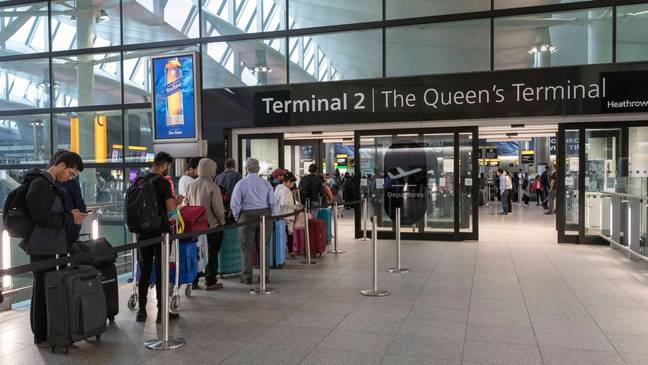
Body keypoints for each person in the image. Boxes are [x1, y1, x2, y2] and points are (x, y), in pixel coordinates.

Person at [24, 152, 87, 345]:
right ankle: (41, 334)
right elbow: (41, 217)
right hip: (42, 245)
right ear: (61, 165)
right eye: (71, 172)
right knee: (43, 289)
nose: (71, 177)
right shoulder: (41, 184)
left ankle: (48, 331)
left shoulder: (49, 184)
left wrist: (70, 214)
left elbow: (49, 214)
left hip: (49, 243)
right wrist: (70, 218)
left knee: (47, 288)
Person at [136, 151, 180, 324]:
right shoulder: (162, 182)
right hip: (160, 232)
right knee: (162, 270)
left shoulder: (139, 180)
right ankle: (162, 313)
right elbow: (170, 208)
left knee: (144, 270)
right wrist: (178, 201)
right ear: (163, 165)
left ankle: (141, 311)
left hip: (142, 232)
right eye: (167, 167)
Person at [230, 158, 276, 285]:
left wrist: (237, 217)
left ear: (246, 169)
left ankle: (247, 277)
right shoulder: (265, 183)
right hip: (265, 215)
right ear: (259, 169)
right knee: (264, 246)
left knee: (246, 248)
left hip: (246, 216)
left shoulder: (241, 184)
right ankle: (264, 276)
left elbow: (235, 204)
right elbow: (272, 202)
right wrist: (270, 213)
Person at [185, 158, 226, 290]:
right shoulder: (212, 186)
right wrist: (222, 222)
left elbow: (186, 203)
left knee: (196, 254)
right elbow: (218, 209)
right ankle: (210, 281)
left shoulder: (191, 184)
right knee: (212, 254)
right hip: (211, 226)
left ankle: (194, 280)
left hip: (194, 227)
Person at [49, 149, 87, 244]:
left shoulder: (45, 181)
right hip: (67, 231)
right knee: (66, 257)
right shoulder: (71, 184)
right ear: (62, 165)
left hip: (48, 236)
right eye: (71, 173)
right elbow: (81, 207)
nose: (69, 178)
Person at [274, 171, 299, 258]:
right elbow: (283, 203)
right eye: (292, 183)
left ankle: (284, 251)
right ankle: (290, 252)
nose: (292, 185)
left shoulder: (278, 187)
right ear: (288, 181)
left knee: (282, 234)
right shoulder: (286, 190)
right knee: (289, 233)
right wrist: (295, 206)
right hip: (287, 215)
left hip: (279, 214)